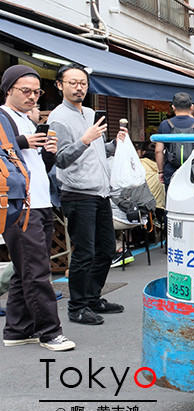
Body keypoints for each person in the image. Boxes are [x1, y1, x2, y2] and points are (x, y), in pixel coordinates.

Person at [0, 65, 74, 350]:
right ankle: (50, 332)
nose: (33, 96)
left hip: (39, 202)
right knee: (37, 271)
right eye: (25, 91)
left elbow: (33, 166)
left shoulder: (27, 120)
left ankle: (17, 330)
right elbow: (10, 150)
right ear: (9, 89)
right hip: (22, 206)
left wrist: (48, 154)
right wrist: (22, 142)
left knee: (25, 270)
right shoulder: (4, 117)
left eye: (36, 92)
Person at [48, 63, 126, 325]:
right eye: (72, 82)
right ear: (60, 85)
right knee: (84, 253)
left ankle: (92, 299)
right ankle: (77, 307)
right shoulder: (57, 118)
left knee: (106, 249)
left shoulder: (91, 112)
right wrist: (84, 139)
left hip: (100, 192)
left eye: (82, 82)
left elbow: (96, 149)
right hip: (77, 193)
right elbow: (59, 159)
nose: (78, 87)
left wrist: (115, 144)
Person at [155, 92, 194, 189]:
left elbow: (158, 150)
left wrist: (161, 171)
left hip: (171, 170)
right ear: (191, 107)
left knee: (172, 198)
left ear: (173, 107)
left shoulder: (165, 124)